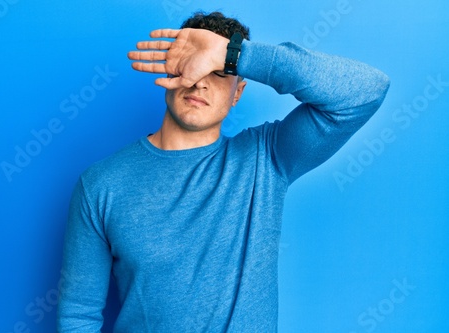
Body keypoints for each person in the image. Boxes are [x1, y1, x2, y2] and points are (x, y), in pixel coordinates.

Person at [57, 11, 390, 332]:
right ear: (171, 71)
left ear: (238, 93)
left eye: (218, 72)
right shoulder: (101, 185)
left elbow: (366, 91)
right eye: (191, 64)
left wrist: (233, 54)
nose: (200, 81)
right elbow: (78, 315)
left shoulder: (268, 157)